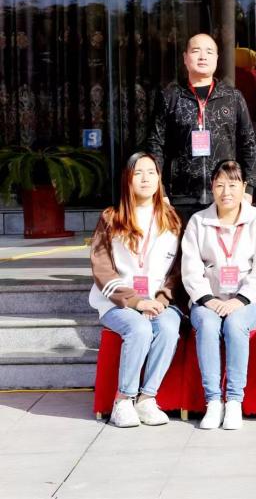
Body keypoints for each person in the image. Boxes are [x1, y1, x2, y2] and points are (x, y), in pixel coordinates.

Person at [88, 152, 183, 428]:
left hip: (158, 301)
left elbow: (176, 270)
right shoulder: (111, 217)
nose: (145, 178)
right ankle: (123, 400)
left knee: (168, 328)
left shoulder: (171, 219)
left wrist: (161, 300)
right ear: (127, 179)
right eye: (138, 172)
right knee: (139, 328)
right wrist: (135, 302)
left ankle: (147, 399)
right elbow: (102, 268)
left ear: (159, 179)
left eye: (151, 172)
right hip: (116, 303)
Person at [181, 160, 256, 430]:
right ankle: (213, 401)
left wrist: (239, 300)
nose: (226, 192)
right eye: (220, 185)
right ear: (212, 187)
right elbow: (190, 269)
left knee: (235, 324)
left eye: (233, 185)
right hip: (208, 300)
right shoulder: (199, 221)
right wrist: (208, 300)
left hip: (251, 300)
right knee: (208, 325)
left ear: (244, 187)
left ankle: (233, 401)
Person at [146, 33, 256, 218]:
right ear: (185, 58)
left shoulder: (232, 97)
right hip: (180, 197)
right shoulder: (170, 97)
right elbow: (155, 144)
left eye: (209, 51)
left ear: (217, 58)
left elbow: (248, 143)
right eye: (196, 51)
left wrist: (249, 188)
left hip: (225, 195)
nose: (203, 56)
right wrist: (161, 190)